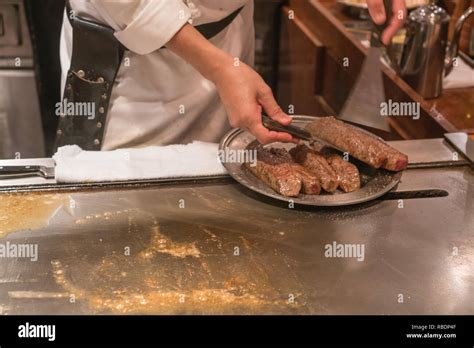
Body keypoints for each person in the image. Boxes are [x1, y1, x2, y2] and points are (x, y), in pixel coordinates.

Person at [59, 0, 406, 150]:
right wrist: (220, 68)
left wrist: (225, 68)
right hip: (134, 65)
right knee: (120, 221)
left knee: (223, 208)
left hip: (228, 40)